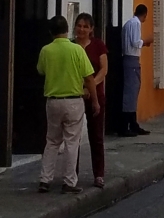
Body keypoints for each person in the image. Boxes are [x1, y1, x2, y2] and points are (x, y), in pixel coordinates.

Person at [37, 15, 100, 194]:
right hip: (73, 101)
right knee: (72, 142)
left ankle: (45, 179)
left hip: (53, 101)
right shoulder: (77, 50)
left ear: (51, 32)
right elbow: (89, 78)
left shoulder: (45, 50)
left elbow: (40, 70)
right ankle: (69, 182)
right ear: (67, 31)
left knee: (52, 141)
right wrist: (95, 101)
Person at [73, 13, 108, 189]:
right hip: (75, 96)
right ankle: (72, 174)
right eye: (79, 26)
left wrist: (90, 86)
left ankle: (99, 174)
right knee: (74, 138)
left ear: (92, 29)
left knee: (96, 136)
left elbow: (103, 70)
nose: (82, 29)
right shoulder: (71, 46)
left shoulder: (98, 45)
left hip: (96, 95)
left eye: (86, 26)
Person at [121, 4, 153, 137]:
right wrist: (146, 41)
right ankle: (125, 125)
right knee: (131, 92)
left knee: (132, 92)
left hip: (129, 59)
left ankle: (132, 123)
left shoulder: (128, 23)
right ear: (144, 14)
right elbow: (135, 42)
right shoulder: (136, 23)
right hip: (131, 60)